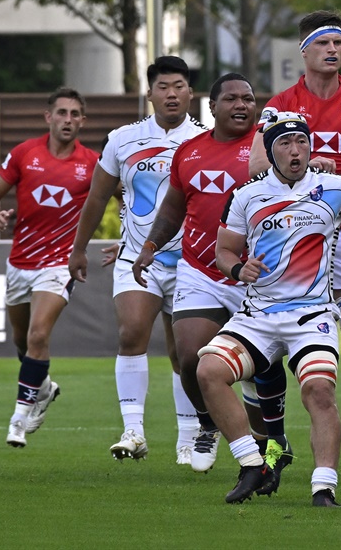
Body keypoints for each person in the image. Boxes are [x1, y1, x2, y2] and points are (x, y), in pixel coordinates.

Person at [198, 112, 341, 506]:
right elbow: (223, 250)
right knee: (208, 371)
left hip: (311, 316)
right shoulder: (247, 194)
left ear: (310, 146)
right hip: (258, 314)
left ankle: (323, 486)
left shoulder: (334, 187)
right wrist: (237, 268)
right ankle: (251, 463)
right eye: (284, 143)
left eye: (301, 142)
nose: (295, 151)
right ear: (270, 150)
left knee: (318, 389)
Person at [250, 9, 341, 498]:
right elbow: (253, 166)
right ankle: (274, 442)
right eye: (324, 43)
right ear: (304, 51)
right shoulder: (280, 104)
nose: (333, 50)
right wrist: (307, 166)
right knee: (269, 343)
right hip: (292, 241)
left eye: (339, 43)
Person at [130, 73, 292, 479]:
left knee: (263, 368)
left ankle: (268, 441)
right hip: (200, 270)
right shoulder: (189, 151)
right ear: (212, 108)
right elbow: (172, 208)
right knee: (188, 357)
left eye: (249, 99)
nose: (242, 105)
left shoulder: (268, 147)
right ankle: (207, 423)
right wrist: (149, 247)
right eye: (232, 99)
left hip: (256, 274)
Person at [68, 55, 207, 463]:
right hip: (136, 259)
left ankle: (189, 435)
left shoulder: (207, 138)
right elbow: (97, 197)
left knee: (186, 352)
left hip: (192, 264)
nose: (171, 94)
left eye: (179, 86)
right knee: (130, 334)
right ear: (148, 93)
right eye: (163, 87)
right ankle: (134, 431)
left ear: (190, 93)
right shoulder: (123, 139)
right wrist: (78, 248)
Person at [0, 87, 100, 448]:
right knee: (23, 341)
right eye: (61, 112)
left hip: (60, 263)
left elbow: (129, 200)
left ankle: (19, 418)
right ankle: (44, 387)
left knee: (37, 336)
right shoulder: (24, 153)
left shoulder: (93, 163)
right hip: (20, 262)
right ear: (48, 117)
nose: (68, 119)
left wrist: (128, 238)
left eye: (75, 114)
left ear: (83, 120)